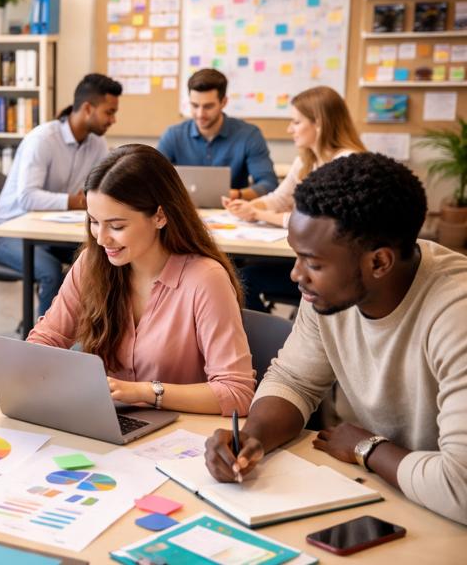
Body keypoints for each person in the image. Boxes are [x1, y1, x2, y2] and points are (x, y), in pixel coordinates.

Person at [203, 153, 467, 525]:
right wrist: (252, 438)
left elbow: (461, 486)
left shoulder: (455, 314)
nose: (297, 275)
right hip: (378, 489)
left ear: (379, 263)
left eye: (313, 263)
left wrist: (368, 448)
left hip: (442, 516)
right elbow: (294, 380)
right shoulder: (331, 292)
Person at [28, 144, 255, 415]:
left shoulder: (205, 279)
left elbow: (236, 393)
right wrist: (30, 364)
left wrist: (146, 392)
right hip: (109, 423)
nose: (101, 239)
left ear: (160, 216)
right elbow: (46, 339)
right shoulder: (92, 262)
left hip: (182, 437)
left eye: (117, 226)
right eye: (94, 221)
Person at [0, 73, 122, 316]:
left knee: (99, 258)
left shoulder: (97, 144)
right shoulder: (43, 140)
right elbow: (27, 198)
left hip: (50, 231)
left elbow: (102, 189)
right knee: (50, 272)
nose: (113, 120)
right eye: (109, 112)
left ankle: (92, 333)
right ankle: (44, 345)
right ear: (88, 108)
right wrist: (75, 201)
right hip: (8, 232)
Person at [223, 86, 367, 311]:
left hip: (332, 269)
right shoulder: (307, 160)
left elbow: (322, 225)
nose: (290, 129)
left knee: (243, 280)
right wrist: (249, 206)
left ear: (319, 123)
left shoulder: (348, 163)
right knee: (240, 275)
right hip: (304, 258)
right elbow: (279, 198)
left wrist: (260, 215)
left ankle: (273, 339)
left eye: (296, 122)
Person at [157, 68, 277, 200]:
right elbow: (151, 177)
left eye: (208, 106)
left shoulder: (249, 135)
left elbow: (269, 184)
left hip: (233, 212)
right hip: (184, 210)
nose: (200, 114)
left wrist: (236, 195)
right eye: (195, 105)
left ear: (224, 102)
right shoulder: (173, 135)